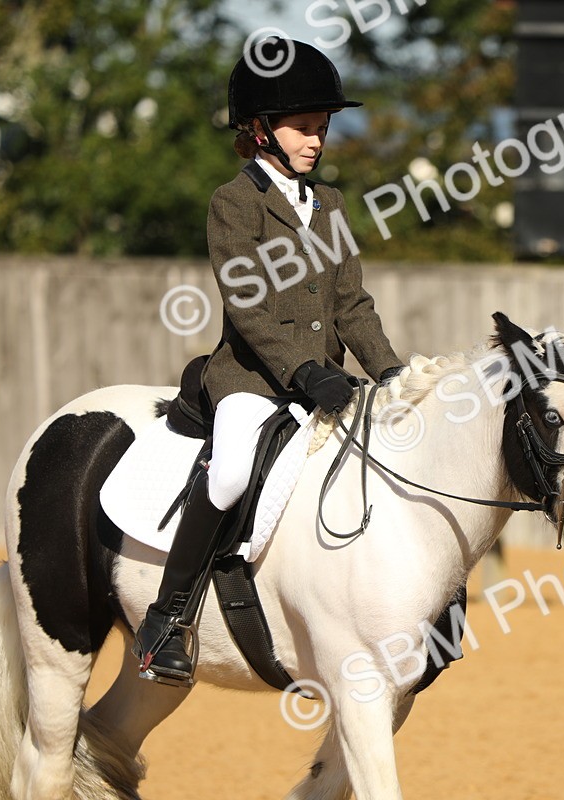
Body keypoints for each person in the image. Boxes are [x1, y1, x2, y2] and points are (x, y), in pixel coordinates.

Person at [133, 39, 405, 687]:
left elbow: (352, 304)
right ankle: (167, 618)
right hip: (252, 381)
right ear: (259, 131)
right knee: (228, 474)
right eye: (303, 128)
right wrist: (302, 371)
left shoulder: (331, 205)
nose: (316, 140)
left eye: (322, 129)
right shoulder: (235, 204)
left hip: (327, 383)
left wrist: (394, 373)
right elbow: (247, 305)